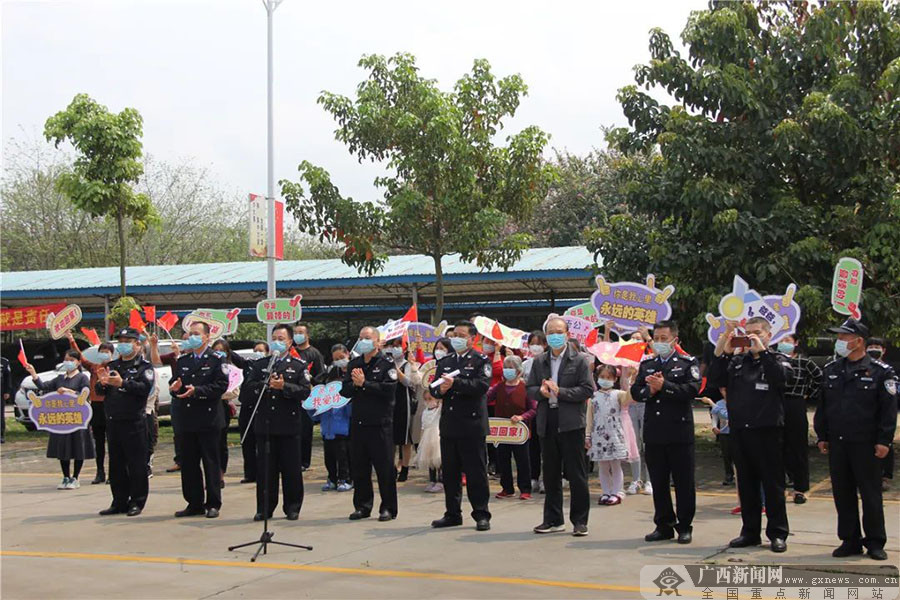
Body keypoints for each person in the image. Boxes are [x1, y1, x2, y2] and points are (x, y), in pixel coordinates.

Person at [814, 319, 897, 561]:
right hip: (839, 442)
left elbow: (888, 410)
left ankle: (874, 542)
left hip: (867, 443)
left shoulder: (881, 371)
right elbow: (823, 406)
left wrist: (884, 440)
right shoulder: (832, 369)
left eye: (843, 337)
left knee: (870, 494)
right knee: (843, 493)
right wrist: (822, 435)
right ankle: (849, 540)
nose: (839, 342)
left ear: (858, 341)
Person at [709, 317, 792, 553]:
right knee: (746, 485)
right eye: (748, 333)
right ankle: (750, 532)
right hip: (740, 431)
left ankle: (777, 533)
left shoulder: (777, 359)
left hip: (767, 432)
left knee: (773, 485)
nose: (751, 337)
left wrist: (762, 353)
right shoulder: (737, 362)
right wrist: (725, 343)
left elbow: (782, 379)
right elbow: (715, 378)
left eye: (756, 332)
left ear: (768, 335)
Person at [629, 320, 701, 544]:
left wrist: (665, 387)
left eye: (664, 339)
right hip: (654, 433)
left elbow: (692, 390)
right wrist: (649, 390)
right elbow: (635, 391)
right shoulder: (648, 364)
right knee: (659, 483)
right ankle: (664, 525)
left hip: (679, 433)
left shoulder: (687, 363)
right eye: (656, 338)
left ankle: (685, 526)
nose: (659, 343)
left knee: (683, 482)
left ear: (674, 340)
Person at [526, 316, 593, 537]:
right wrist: (541, 393)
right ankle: (553, 519)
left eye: (559, 332)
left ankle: (580, 521)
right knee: (551, 472)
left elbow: (587, 390)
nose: (555, 336)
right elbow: (531, 388)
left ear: (567, 334)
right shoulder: (540, 361)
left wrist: (560, 391)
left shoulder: (580, 360)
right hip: (548, 420)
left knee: (576, 473)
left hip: (571, 422)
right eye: (551, 332)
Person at [430, 320, 493, 531]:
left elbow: (482, 386)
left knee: (476, 473)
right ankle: (452, 513)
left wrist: (456, 384)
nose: (456, 338)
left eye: (461, 334)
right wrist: (441, 390)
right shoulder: (446, 361)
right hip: (449, 424)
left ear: (472, 338)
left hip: (472, 425)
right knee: (450, 473)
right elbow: (435, 388)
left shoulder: (479, 360)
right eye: (454, 334)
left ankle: (481, 514)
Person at [245, 324, 312, 520]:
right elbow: (247, 391)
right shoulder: (261, 365)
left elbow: (305, 391)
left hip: (288, 425)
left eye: (281, 338)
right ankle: (264, 508)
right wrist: (264, 385)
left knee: (291, 470)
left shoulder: (298, 366)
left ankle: (292, 507)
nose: (277, 342)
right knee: (266, 471)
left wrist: (284, 386)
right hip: (265, 425)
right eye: (274, 338)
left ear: (290, 342)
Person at [169, 322, 229, 519]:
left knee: (211, 462)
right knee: (189, 463)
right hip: (187, 419)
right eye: (189, 334)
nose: (192, 337)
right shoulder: (183, 360)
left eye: (196, 334)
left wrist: (198, 391)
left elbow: (221, 386)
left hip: (209, 418)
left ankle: (213, 503)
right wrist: (175, 387)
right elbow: (176, 382)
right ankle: (194, 503)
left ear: (206, 337)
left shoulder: (217, 359)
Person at [96, 328, 154, 516]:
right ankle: (119, 501)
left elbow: (144, 388)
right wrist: (102, 383)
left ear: (138, 344)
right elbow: (100, 391)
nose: (124, 344)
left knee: (136, 464)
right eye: (121, 340)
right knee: (117, 465)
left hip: (134, 422)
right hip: (114, 421)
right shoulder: (113, 365)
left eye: (128, 340)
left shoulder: (144, 367)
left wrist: (122, 383)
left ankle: (137, 501)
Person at [343, 326, 399, 521]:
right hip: (358, 423)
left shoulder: (386, 363)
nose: (363, 341)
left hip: (380, 424)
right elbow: (345, 390)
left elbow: (389, 390)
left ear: (377, 342)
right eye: (361, 338)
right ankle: (362, 506)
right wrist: (356, 385)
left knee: (384, 469)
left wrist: (364, 384)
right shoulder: (354, 364)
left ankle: (388, 508)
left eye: (367, 338)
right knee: (359, 468)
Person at [25, 350, 94, 489]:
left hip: (77, 419)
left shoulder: (82, 378)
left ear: (78, 362)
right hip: (61, 419)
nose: (68, 362)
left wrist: (70, 392)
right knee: (63, 449)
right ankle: (65, 477)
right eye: (66, 359)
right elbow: (44, 386)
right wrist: (33, 373)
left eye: (71, 360)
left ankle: (75, 477)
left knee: (78, 447)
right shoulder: (60, 379)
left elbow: (85, 394)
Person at [777, 333, 822, 504]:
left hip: (796, 403)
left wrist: (808, 393)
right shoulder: (774, 359)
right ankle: (779, 488)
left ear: (796, 343)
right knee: (777, 447)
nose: (784, 343)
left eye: (788, 340)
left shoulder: (804, 362)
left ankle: (800, 489)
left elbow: (819, 378)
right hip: (776, 404)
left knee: (798, 448)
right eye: (781, 340)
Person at [586, 364, 638, 505]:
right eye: (602, 377)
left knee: (615, 465)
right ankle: (606, 491)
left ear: (615, 379)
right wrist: (587, 435)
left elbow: (630, 398)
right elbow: (589, 417)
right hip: (599, 435)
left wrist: (628, 380)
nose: (605, 380)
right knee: (602, 466)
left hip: (615, 434)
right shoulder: (593, 397)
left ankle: (616, 491)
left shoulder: (619, 394)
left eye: (609, 377)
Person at [67, 332, 113, 483]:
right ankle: (100, 472)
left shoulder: (115, 368)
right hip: (96, 407)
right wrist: (72, 340)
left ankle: (114, 473)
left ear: (112, 354)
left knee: (114, 442)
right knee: (99, 442)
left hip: (111, 407)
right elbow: (80, 357)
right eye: (101, 352)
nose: (103, 355)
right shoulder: (94, 368)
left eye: (106, 352)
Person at [488, 355, 536, 499]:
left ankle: (525, 489)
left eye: (511, 368)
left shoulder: (526, 387)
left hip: (520, 431)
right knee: (503, 459)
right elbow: (487, 398)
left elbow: (533, 409)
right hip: (502, 430)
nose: (508, 371)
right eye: (506, 367)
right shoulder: (499, 387)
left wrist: (522, 417)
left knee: (523, 461)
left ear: (519, 370)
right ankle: (507, 488)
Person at [384, 337, 422, 482]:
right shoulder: (385, 362)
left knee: (405, 439)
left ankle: (405, 468)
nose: (395, 348)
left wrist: (396, 369)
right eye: (393, 346)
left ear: (405, 348)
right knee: (390, 438)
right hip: (388, 402)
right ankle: (392, 467)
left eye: (398, 346)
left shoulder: (407, 364)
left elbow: (408, 382)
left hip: (403, 403)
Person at [316, 343, 353, 492]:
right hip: (328, 422)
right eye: (336, 358)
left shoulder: (354, 370)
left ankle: (346, 478)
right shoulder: (330, 373)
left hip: (344, 423)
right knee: (329, 455)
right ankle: (332, 478)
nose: (339, 360)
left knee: (344, 454)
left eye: (341, 357)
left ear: (348, 354)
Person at [233, 340, 269, 484]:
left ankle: (264, 472)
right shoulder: (248, 364)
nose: (257, 353)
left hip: (262, 408)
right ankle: (250, 473)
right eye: (255, 350)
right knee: (247, 441)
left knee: (262, 442)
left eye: (260, 350)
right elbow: (233, 356)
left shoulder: (269, 365)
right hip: (247, 406)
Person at [292, 323, 324, 471]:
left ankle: (304, 461)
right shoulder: (291, 352)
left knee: (305, 431)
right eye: (295, 332)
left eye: (300, 332)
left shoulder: (314, 353)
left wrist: (312, 379)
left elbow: (321, 375)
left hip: (308, 398)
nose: (297, 335)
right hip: (292, 396)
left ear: (307, 335)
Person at [625, 327, 652, 495]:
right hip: (629, 406)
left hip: (646, 404)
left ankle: (650, 480)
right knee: (633, 445)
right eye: (633, 338)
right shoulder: (623, 360)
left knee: (647, 443)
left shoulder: (649, 359)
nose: (636, 341)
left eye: (638, 339)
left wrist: (648, 337)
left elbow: (660, 354)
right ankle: (636, 480)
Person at [866, 338, 894, 491]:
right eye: (871, 346)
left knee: (884, 444)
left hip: (882, 413)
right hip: (866, 415)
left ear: (883, 350)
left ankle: (885, 476)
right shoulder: (862, 367)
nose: (873, 349)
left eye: (877, 347)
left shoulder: (888, 370)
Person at [212, 338, 240, 488]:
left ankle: (220, 474)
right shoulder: (207, 366)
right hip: (207, 409)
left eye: (222, 351)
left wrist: (215, 393)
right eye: (216, 350)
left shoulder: (231, 369)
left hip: (221, 409)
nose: (219, 353)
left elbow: (234, 391)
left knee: (221, 443)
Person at [523, 331, 547, 494]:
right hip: (530, 410)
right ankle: (533, 477)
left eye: (538, 343)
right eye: (532, 343)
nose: (535, 346)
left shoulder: (549, 363)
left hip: (547, 408)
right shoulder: (525, 364)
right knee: (533, 446)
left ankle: (547, 479)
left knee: (547, 446)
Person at [1, 356, 10, 444]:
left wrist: (7, 391)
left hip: (1, 392)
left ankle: (1, 435)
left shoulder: (4, 361)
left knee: (0, 415)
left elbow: (8, 377)